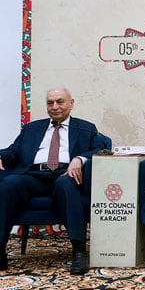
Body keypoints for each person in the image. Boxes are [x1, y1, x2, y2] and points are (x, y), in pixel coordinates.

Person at [0, 87, 104, 274]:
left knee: (66, 185)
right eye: (50, 103)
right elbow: (13, 151)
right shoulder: (32, 128)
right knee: (9, 184)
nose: (55, 107)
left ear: (71, 104)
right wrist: (1, 156)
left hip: (64, 175)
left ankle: (78, 251)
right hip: (33, 176)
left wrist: (79, 159)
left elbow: (100, 149)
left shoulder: (85, 127)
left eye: (60, 102)